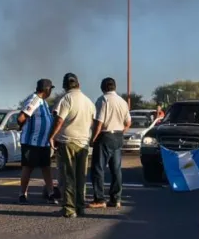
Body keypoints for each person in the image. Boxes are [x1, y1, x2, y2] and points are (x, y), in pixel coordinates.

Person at [49, 72, 97, 218]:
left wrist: (51, 136)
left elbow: (59, 120)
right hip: (83, 143)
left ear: (64, 86)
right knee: (81, 177)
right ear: (78, 84)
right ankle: (80, 207)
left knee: (68, 176)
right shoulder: (88, 101)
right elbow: (94, 122)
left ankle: (69, 209)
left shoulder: (66, 99)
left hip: (68, 141)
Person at [89, 77, 131, 209]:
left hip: (105, 136)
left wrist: (93, 138)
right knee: (116, 169)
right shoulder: (122, 101)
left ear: (102, 87)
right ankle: (116, 198)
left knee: (98, 168)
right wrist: (120, 132)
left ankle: (100, 199)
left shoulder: (103, 100)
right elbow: (128, 122)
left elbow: (99, 122)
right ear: (115, 87)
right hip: (118, 136)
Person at [16, 78, 57, 204]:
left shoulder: (43, 102)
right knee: (28, 168)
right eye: (50, 89)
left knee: (46, 168)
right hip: (31, 142)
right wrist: (22, 126)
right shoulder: (34, 100)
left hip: (43, 142)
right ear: (47, 90)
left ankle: (50, 194)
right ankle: (22, 194)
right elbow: (21, 117)